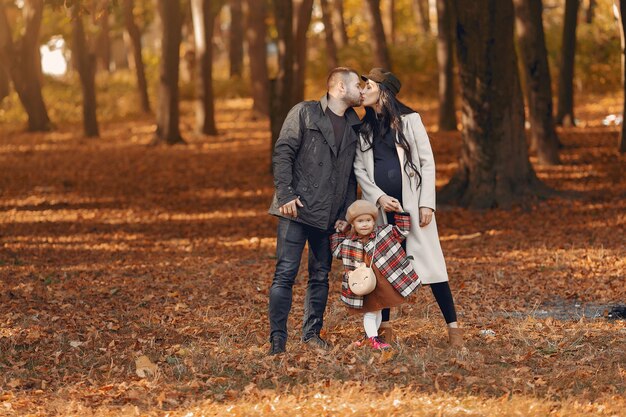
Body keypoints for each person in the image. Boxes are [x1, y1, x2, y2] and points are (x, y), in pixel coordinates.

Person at [353, 68, 463, 347]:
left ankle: (454, 331)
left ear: (383, 90)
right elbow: (360, 170)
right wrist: (378, 198)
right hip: (383, 212)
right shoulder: (363, 129)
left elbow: (427, 162)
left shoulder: (410, 121)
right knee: (384, 269)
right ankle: (386, 329)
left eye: (368, 86)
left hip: (413, 208)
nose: (362, 91)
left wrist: (428, 203)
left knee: (433, 266)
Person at [267, 67, 364, 355]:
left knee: (320, 275)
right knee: (285, 273)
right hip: (296, 209)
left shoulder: (354, 124)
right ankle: (277, 340)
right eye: (357, 85)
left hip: (329, 216)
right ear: (340, 88)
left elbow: (350, 176)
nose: (362, 90)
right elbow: (283, 151)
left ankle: (311, 334)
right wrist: (285, 194)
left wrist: (345, 214)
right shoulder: (304, 112)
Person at [330, 200, 421, 350]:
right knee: (371, 312)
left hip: (381, 282)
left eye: (368, 220)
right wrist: (339, 232)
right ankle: (373, 339)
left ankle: (370, 338)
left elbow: (403, 230)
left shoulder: (384, 233)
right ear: (353, 224)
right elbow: (336, 251)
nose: (365, 224)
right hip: (365, 285)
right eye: (360, 221)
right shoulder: (349, 243)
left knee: (377, 310)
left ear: (374, 221)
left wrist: (399, 210)